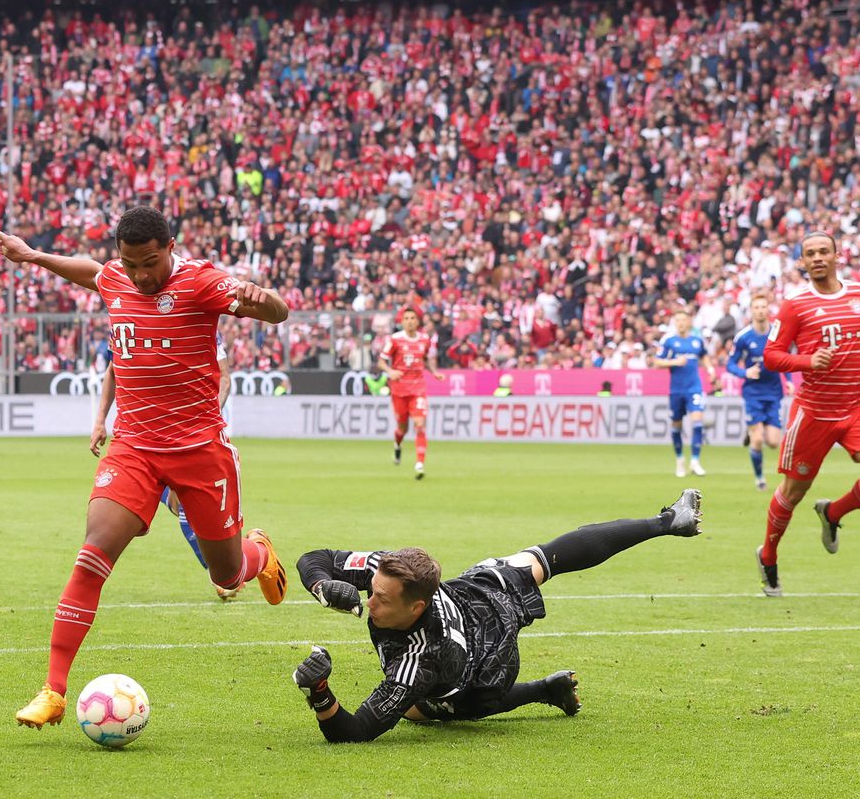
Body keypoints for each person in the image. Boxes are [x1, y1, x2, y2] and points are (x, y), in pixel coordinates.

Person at [0, 206, 291, 730]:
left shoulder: (202, 282)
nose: (140, 276)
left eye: (149, 263)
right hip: (134, 448)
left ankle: (260, 553)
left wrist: (263, 300)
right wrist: (33, 255)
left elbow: (277, 313)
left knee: (225, 573)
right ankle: (53, 691)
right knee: (93, 551)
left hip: (201, 451)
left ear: (170, 246)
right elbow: (91, 271)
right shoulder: (116, 277)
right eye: (131, 265)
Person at [291, 489, 704, 742]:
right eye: (371, 589)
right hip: (477, 595)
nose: (371, 599)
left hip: (487, 664)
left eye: (381, 598)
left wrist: (320, 692)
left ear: (416, 607)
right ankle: (669, 522)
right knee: (543, 559)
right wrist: (323, 585)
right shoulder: (388, 569)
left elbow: (355, 731)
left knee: (426, 711)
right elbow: (316, 557)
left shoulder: (419, 661)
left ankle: (542, 688)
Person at [756, 230, 860, 598]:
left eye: (824, 251)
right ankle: (768, 555)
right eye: (810, 254)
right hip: (813, 413)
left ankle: (833, 513)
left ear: (838, 256)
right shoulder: (795, 304)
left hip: (855, 406)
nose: (818, 258)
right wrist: (807, 361)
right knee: (793, 492)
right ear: (802, 262)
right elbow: (772, 356)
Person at [89, 329, 239, 600]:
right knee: (176, 504)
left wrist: (203, 419)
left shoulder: (199, 322)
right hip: (141, 441)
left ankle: (233, 564)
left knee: (183, 505)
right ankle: (225, 567)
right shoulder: (128, 320)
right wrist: (100, 421)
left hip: (190, 439)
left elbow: (224, 379)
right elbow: (113, 370)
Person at [727, 295, 788, 490]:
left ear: (768, 310)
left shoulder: (777, 334)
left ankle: (751, 431)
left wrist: (789, 381)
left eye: (763, 307)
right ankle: (760, 478)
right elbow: (730, 364)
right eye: (757, 307)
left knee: (772, 442)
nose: (760, 310)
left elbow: (784, 358)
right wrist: (745, 372)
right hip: (753, 392)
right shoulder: (743, 337)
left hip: (773, 392)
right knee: (759, 439)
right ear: (751, 311)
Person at [380, 307, 445, 479]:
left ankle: (419, 464)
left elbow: (425, 359)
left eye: (412, 318)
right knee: (402, 428)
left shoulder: (424, 340)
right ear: (402, 321)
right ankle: (397, 445)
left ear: (418, 321)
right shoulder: (395, 340)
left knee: (419, 424)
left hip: (418, 389)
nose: (409, 321)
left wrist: (435, 372)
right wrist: (390, 371)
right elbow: (381, 361)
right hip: (399, 390)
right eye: (406, 318)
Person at [653, 308, 716, 478]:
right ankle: (680, 460)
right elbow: (656, 362)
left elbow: (704, 356)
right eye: (678, 320)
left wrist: (710, 369)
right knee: (676, 427)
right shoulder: (668, 341)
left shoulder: (697, 341)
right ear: (674, 322)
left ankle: (695, 461)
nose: (681, 323)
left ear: (689, 322)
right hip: (676, 390)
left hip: (694, 388)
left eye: (683, 320)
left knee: (697, 422)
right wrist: (674, 361)